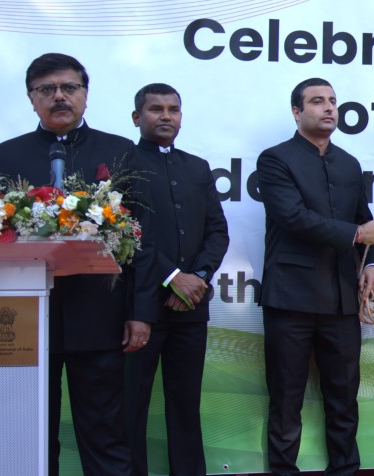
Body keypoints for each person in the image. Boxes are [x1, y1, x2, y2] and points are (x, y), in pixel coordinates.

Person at [0, 52, 152, 475]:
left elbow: (145, 239)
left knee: (105, 436)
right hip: (22, 323)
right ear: (31, 98)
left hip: (100, 317)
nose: (59, 97)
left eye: (69, 88)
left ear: (85, 95)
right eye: (47, 89)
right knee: (30, 435)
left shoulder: (120, 152)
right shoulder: (6, 156)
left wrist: (139, 313)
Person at [255, 78, 374, 475]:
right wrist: (355, 235)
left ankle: (345, 469)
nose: (329, 108)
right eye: (317, 101)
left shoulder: (348, 163)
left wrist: (372, 264)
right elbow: (293, 217)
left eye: (332, 101)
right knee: (286, 400)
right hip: (290, 300)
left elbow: (365, 220)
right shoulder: (275, 159)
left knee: (344, 398)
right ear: (297, 112)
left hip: (341, 299)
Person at [125, 83, 229, 476]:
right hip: (138, 310)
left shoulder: (197, 167)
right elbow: (126, 233)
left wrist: (197, 278)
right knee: (130, 407)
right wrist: (172, 278)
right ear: (138, 117)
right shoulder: (122, 163)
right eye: (156, 109)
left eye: (173, 109)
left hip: (191, 308)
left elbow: (217, 232)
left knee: (186, 406)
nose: (166, 116)